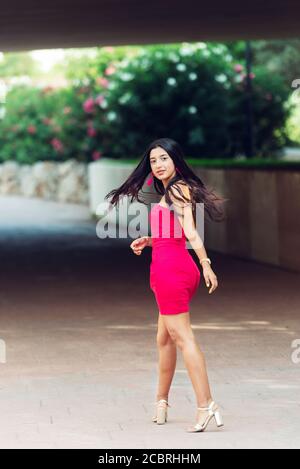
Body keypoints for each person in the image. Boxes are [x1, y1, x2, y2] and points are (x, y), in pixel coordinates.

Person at [105, 137, 227, 432]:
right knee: (164, 339)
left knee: (183, 338)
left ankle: (206, 405)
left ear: (175, 160)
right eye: (153, 160)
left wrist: (207, 264)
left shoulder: (178, 188)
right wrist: (149, 241)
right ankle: (161, 401)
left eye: (164, 159)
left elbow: (192, 234)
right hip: (167, 265)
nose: (158, 165)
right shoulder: (170, 191)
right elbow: (173, 234)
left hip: (173, 271)